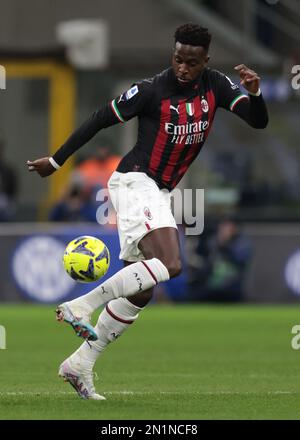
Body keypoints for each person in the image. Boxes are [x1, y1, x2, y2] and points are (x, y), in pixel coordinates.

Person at [27, 23, 268, 400]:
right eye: (178, 59)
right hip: (134, 180)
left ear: (205, 60)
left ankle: (79, 365)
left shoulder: (216, 86)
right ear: (172, 55)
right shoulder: (152, 90)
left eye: (191, 62)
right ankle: (80, 305)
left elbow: (258, 120)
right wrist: (57, 162)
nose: (183, 68)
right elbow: (98, 118)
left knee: (142, 292)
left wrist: (256, 95)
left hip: (158, 190)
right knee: (171, 264)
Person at [187, 218, 252, 302]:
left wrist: (224, 244)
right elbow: (206, 262)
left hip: (232, 287)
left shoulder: (242, 244)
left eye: (228, 227)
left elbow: (238, 259)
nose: (224, 230)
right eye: (223, 227)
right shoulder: (213, 241)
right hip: (211, 285)